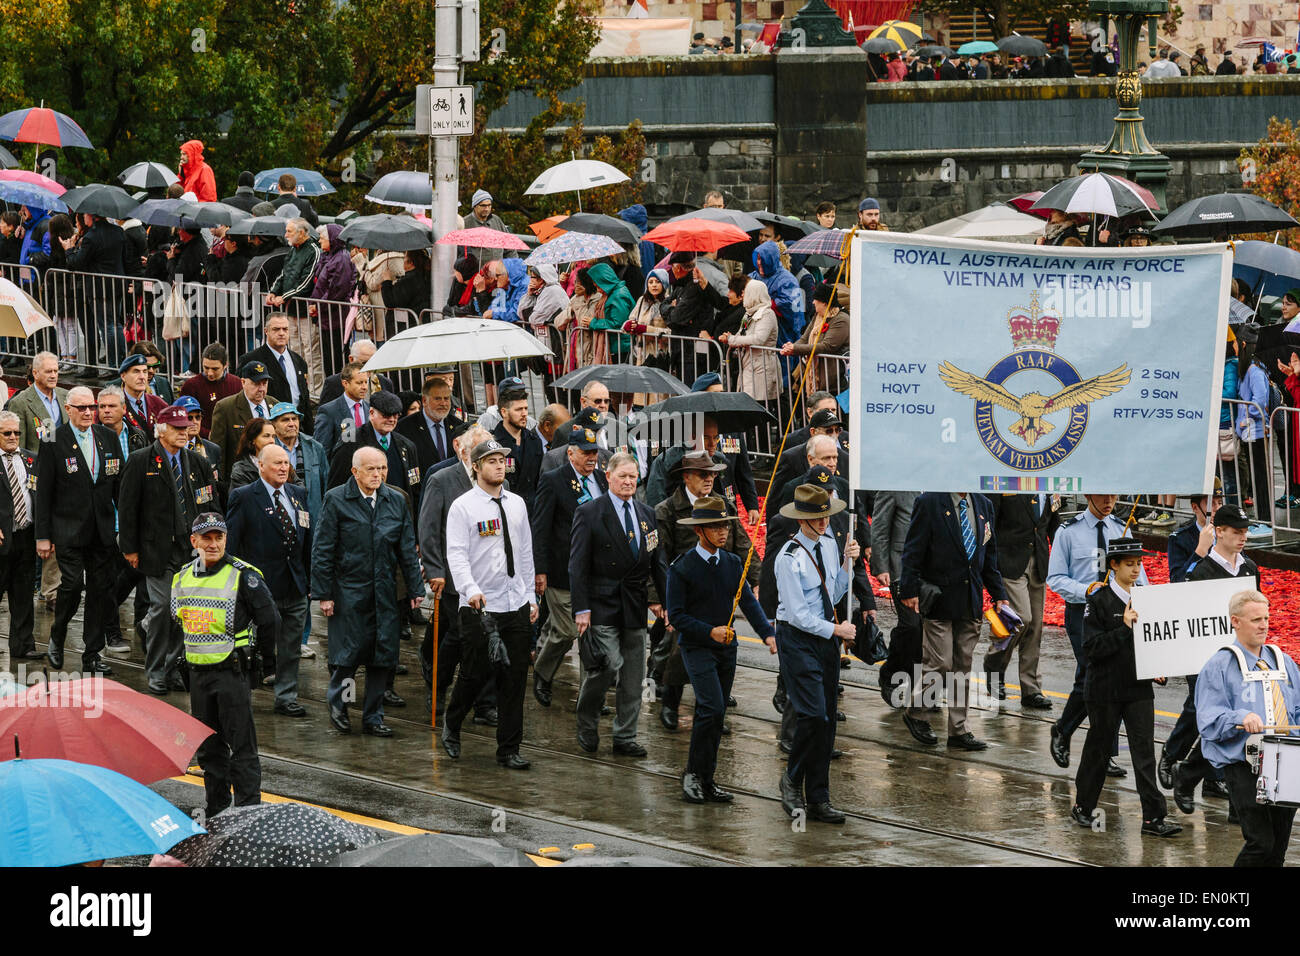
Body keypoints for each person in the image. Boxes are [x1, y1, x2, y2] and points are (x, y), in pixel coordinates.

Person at [1070, 539, 1182, 837]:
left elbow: (1155, 642)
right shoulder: (1099, 601)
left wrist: (1159, 668)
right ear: (1114, 566)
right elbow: (1091, 648)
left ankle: (1153, 818)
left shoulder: (1147, 600)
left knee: (1144, 752)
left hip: (1138, 690)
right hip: (1105, 691)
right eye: (1129, 563)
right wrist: (1124, 628)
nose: (1136, 569)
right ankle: (1083, 806)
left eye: (1139, 563)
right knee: (1100, 748)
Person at [668, 496, 775, 803]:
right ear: (700, 531)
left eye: (725, 525)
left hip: (727, 649)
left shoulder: (732, 563)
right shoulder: (682, 568)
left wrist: (767, 633)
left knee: (716, 713)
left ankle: (708, 778)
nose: (723, 531)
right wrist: (708, 631)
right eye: (714, 526)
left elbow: (748, 603)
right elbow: (676, 616)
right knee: (711, 707)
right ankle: (692, 773)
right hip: (698, 647)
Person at [172, 513, 279, 817]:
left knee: (242, 749)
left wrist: (264, 663)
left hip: (231, 673)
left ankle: (248, 815)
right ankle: (217, 811)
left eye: (219, 537)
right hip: (197, 676)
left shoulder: (243, 575)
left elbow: (270, 619)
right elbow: (177, 623)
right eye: (207, 538)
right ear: (194, 541)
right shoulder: (181, 578)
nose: (214, 543)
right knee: (209, 751)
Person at [441, 439, 538, 767]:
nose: (499, 466)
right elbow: (456, 553)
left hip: (515, 603)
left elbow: (525, 551)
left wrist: (530, 596)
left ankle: (509, 748)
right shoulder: (464, 507)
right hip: (481, 606)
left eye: (502, 460)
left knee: (514, 679)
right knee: (475, 674)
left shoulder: (517, 504)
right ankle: (452, 723)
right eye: (491, 461)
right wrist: (469, 589)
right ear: (477, 467)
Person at [313, 446, 424, 735]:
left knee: (381, 655)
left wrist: (415, 588)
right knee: (349, 655)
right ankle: (342, 706)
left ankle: (374, 716)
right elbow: (323, 550)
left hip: (385, 590)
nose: (378, 474)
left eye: (382, 468)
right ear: (355, 471)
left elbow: (407, 549)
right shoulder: (336, 500)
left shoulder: (395, 500)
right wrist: (324, 594)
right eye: (371, 469)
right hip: (349, 589)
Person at [652, 449, 758, 728]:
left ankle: (712, 708)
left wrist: (756, 579)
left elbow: (743, 544)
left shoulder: (722, 504)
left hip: (720, 587)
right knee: (677, 653)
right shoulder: (667, 510)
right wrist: (658, 599)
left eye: (712, 474)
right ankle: (671, 703)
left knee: (720, 649)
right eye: (702, 474)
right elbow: (658, 558)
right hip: (684, 592)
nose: (710, 479)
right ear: (686, 477)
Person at [898, 490, 1010, 750]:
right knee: (939, 662)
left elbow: (989, 555)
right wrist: (909, 589)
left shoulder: (983, 504)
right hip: (938, 598)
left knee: (962, 666)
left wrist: (998, 593)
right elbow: (913, 549)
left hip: (970, 600)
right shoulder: (930, 502)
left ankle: (959, 730)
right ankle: (917, 712)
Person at [118, 404, 218, 693]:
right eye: (177, 428)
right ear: (161, 431)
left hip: (191, 547)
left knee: (183, 611)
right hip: (156, 549)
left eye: (185, 428)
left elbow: (208, 501)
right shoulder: (141, 460)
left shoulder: (196, 462)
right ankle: (157, 669)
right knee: (162, 607)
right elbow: (127, 508)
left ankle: (173, 666)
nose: (183, 433)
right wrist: (130, 548)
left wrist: (212, 540)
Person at [774, 484, 859, 824]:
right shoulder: (788, 558)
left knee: (826, 721)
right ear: (801, 519)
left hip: (824, 635)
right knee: (811, 714)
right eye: (816, 517)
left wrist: (848, 565)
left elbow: (834, 591)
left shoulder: (828, 544)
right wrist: (837, 631)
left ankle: (819, 796)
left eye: (825, 515)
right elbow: (797, 615)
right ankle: (792, 777)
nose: (823, 522)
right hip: (798, 638)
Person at [569, 451, 664, 756]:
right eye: (622, 476)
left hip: (634, 604)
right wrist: (581, 608)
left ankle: (625, 735)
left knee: (634, 677)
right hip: (602, 602)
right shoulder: (589, 512)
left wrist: (664, 602)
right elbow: (577, 565)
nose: (627, 482)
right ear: (608, 477)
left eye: (633, 476)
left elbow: (657, 563)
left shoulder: (647, 514)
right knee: (607, 666)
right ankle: (587, 719)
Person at [1196, 589, 1300, 866]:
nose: (1264, 625)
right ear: (1235, 621)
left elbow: (1298, 706)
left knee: (1277, 847)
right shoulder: (1219, 665)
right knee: (1260, 842)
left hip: (1286, 761)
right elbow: (1208, 720)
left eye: (1266, 618)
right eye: (1256, 620)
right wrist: (1240, 717)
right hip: (1243, 763)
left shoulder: (1283, 661)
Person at [1167, 504, 1260, 813]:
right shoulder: (1203, 570)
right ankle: (1191, 771)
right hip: (1207, 659)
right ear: (1219, 531)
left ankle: (1197, 776)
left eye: (1245, 532)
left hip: (1240, 657)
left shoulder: (1249, 568)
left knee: (1237, 721)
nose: (1242, 537)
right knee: (1216, 719)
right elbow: (1180, 602)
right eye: (1236, 532)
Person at [1047, 494, 1148, 773]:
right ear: (1089, 494)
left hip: (1118, 612)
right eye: (1104, 496)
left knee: (1109, 677)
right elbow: (1055, 577)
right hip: (1083, 613)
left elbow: (1139, 575)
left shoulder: (1120, 527)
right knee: (1093, 673)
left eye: (1114, 496)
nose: (1110, 501)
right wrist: (1085, 590)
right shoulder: (1068, 532)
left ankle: (1095, 746)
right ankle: (1066, 731)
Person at [36, 386, 126, 675]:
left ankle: (91, 653)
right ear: (68, 409)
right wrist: (43, 535)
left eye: (92, 407)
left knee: (101, 591)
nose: (89, 413)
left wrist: (126, 527)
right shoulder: (52, 438)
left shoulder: (108, 437)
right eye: (82, 408)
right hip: (68, 529)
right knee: (73, 586)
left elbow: (119, 487)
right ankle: (58, 634)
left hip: (101, 530)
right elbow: (43, 492)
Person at [417, 423, 500, 721]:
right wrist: (434, 569)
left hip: (489, 577)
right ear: (463, 452)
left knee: (489, 634)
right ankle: (438, 685)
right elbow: (428, 530)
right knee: (459, 637)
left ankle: (485, 702)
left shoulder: (496, 483)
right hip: (454, 579)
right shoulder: (442, 480)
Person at [226, 444, 312, 718]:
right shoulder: (245, 496)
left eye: (286, 463)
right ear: (261, 466)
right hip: (260, 587)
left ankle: (286, 696)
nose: (283, 468)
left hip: (295, 583)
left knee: (290, 646)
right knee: (252, 646)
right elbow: (233, 542)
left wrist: (310, 580)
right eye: (277, 463)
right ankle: (242, 696)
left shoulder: (299, 494)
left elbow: (307, 538)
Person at [530, 425, 608, 706]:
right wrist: (540, 569)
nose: (591, 458)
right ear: (571, 453)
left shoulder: (601, 478)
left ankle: (590, 697)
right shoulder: (554, 480)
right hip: (562, 571)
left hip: (598, 573)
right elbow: (540, 528)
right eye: (586, 453)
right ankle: (542, 672)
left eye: (595, 452)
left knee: (593, 633)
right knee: (567, 630)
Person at [983, 493, 1061, 708]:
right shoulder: (1008, 479)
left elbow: (1053, 523)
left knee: (1035, 627)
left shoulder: (1050, 485)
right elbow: (990, 521)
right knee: (1021, 619)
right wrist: (989, 564)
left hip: (1038, 561)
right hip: (1009, 560)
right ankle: (994, 663)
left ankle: (1031, 688)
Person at [327, 390, 422, 514]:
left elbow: (414, 489)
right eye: (386, 415)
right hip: (361, 518)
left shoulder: (407, 446)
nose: (392, 420)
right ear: (371, 413)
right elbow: (336, 488)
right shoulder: (350, 442)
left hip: (398, 519)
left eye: (396, 415)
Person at [871, 489, 920, 707]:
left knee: (930, 632)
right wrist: (881, 566)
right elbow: (880, 528)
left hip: (931, 571)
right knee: (912, 626)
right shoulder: (894, 487)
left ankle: (923, 690)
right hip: (901, 569)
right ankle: (891, 671)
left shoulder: (939, 484)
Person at [0, 411, 38, 663]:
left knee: (23, 594)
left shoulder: (30, 459)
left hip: (26, 536)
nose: (13, 437)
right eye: (6, 433)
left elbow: (40, 495)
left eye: (16, 432)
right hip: (1, 538)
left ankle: (23, 645)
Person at [238, 313, 313, 435]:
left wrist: (310, 433)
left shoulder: (299, 361)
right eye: (276, 329)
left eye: (285, 329)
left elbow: (304, 398)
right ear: (266, 331)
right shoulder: (251, 359)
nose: (281, 333)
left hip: (297, 427)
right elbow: (241, 397)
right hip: (267, 429)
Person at [720, 279, 781, 412]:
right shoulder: (749, 313)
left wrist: (733, 340)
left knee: (760, 410)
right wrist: (730, 338)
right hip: (749, 366)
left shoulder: (767, 314)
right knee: (748, 408)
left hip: (762, 368)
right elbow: (742, 334)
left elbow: (759, 339)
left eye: (747, 293)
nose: (744, 296)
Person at [210, 361, 280, 470]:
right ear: (243, 382)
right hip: (240, 478)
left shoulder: (275, 405)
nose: (261, 389)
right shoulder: (225, 408)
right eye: (256, 384)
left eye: (264, 383)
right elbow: (218, 451)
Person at [396, 375, 464, 477]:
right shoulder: (404, 427)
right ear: (424, 401)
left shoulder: (458, 426)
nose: (443, 403)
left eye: (446, 399)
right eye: (437, 399)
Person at [271, 402, 327, 523]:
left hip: (313, 515)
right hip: (280, 516)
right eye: (285, 420)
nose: (291, 424)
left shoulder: (315, 447)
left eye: (294, 419)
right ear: (273, 425)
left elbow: (325, 485)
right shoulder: (268, 449)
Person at [490, 386, 544, 508]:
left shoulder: (534, 441)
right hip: (505, 507)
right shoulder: (493, 442)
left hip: (531, 511)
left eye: (525, 408)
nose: (524, 414)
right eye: (518, 409)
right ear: (504, 412)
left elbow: (538, 481)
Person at [179, 344, 243, 438]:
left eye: (215, 369)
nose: (210, 373)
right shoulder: (191, 385)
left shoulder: (237, 384)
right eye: (206, 368)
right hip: (202, 441)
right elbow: (183, 417)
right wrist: (209, 434)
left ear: (225, 365)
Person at [313, 360, 369, 461]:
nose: (364, 387)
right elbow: (322, 451)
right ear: (345, 383)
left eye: (366, 382)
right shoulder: (328, 411)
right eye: (359, 383)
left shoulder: (370, 409)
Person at [318, 339, 395, 405]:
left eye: (372, 362)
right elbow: (324, 415)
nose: (369, 367)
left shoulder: (385, 383)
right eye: (364, 363)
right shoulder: (334, 383)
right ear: (351, 359)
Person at [174, 395, 223, 487]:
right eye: (189, 418)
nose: (195, 422)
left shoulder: (213, 449)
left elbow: (218, 486)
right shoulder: (171, 449)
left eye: (198, 417)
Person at [118, 354, 168, 434]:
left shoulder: (158, 403)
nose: (142, 377)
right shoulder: (115, 404)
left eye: (145, 372)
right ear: (123, 376)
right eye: (136, 372)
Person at [460, 189, 513, 264]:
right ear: (475, 206)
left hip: (498, 272)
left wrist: (512, 267)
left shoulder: (496, 220)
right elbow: (460, 253)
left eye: (489, 205)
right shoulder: (465, 223)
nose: (487, 209)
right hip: (476, 273)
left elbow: (510, 247)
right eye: (483, 206)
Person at [227, 418, 276, 490]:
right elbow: (243, 498)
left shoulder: (282, 461)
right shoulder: (241, 469)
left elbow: (297, 484)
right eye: (266, 436)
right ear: (253, 440)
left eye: (273, 436)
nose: (272, 441)